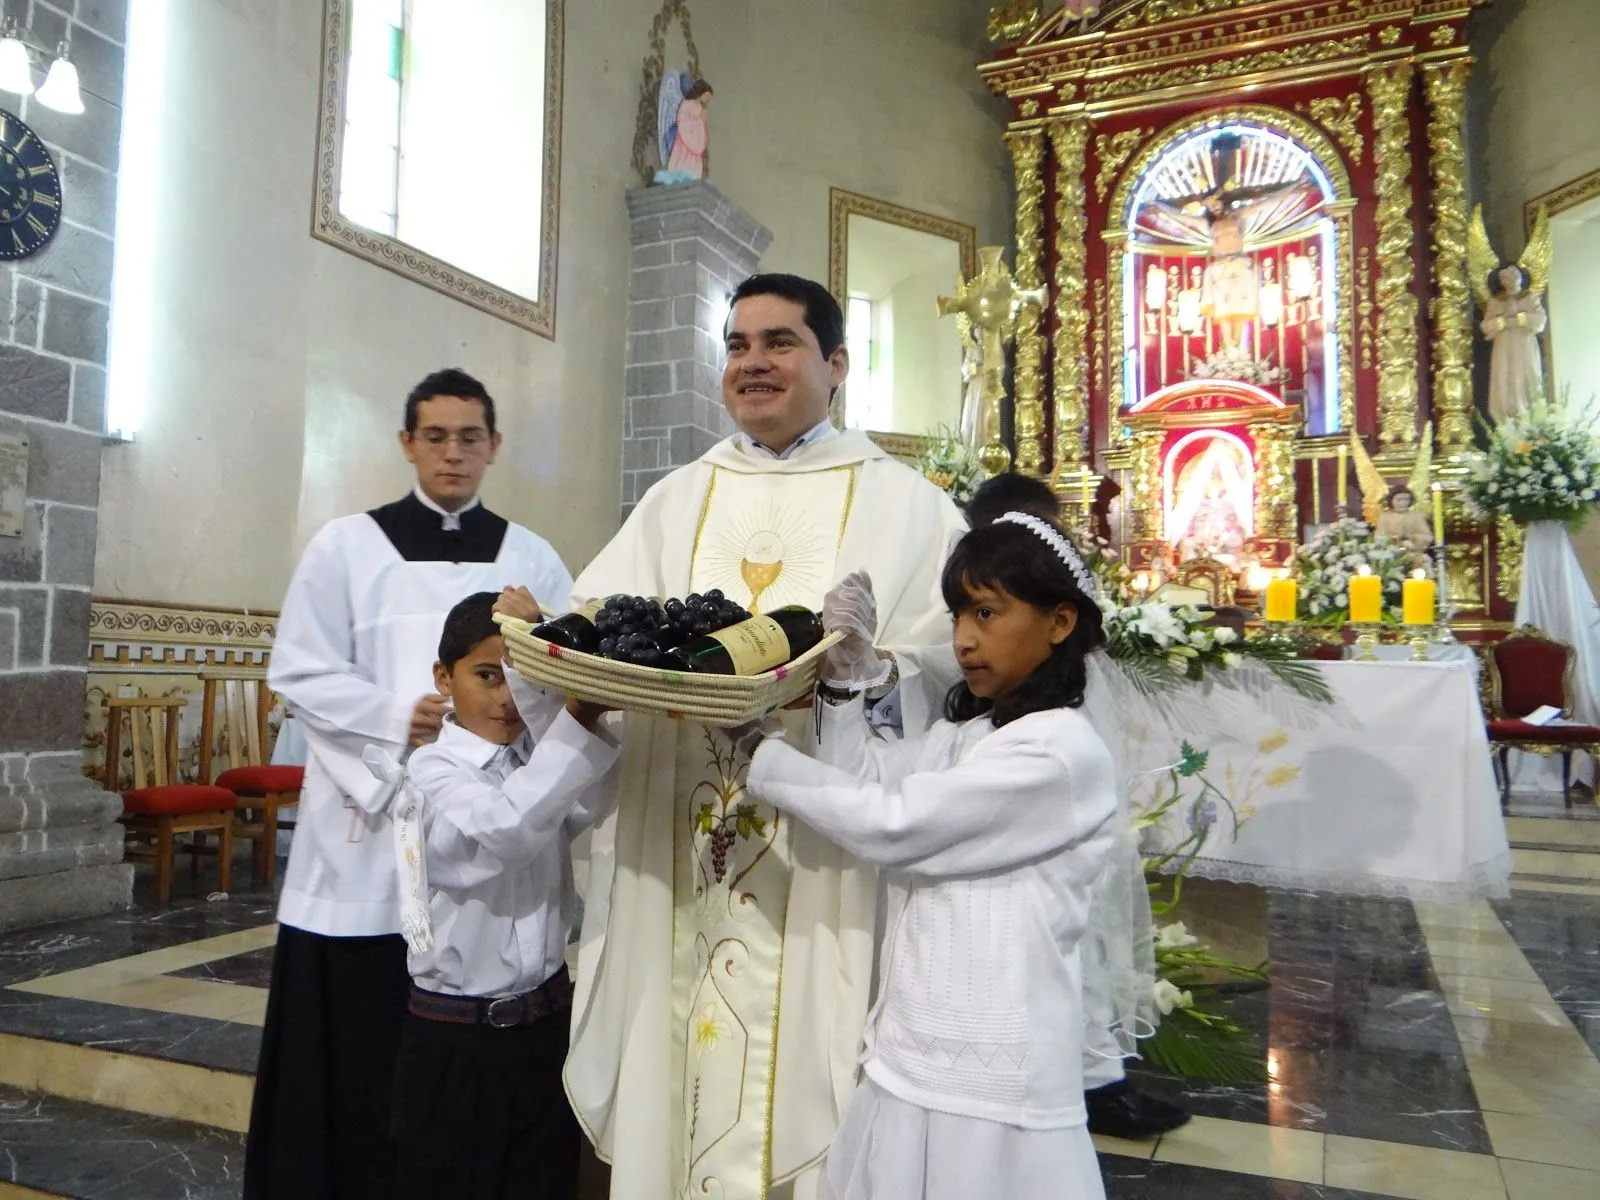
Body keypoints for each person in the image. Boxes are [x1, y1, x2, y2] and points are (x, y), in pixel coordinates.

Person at [537, 273, 968, 1199]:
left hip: (823, 852)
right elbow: (600, 633)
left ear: (836, 364)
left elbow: (955, 667)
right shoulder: (679, 496)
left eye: (780, 342)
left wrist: (871, 676)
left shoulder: (908, 506)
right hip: (677, 836)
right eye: (738, 345)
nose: (754, 363)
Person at [245, 369, 574, 1199]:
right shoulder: (345, 545)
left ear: (493, 446)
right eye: (436, 436)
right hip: (361, 842)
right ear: (407, 444)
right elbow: (300, 669)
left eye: (470, 437)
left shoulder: (532, 558)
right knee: (354, 1061)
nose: (453, 453)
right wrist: (399, 717)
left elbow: (568, 673)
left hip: (486, 830)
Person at [740, 516, 1119, 1198]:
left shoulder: (1061, 751)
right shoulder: (970, 736)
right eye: (957, 615)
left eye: (986, 611)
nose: (964, 638)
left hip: (993, 1073)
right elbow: (861, 782)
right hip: (913, 1048)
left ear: (1060, 622)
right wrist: (845, 682)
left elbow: (895, 824)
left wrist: (758, 754)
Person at [965, 474, 1189, 1142]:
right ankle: (1084, 1078)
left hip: (1062, 795)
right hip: (1012, 797)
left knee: (1083, 932)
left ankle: (1097, 1076)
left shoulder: (1047, 604)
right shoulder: (982, 598)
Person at [388, 592, 618, 1200]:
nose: (507, 698)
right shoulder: (429, 773)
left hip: (545, 1028)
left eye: (521, 681)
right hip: (456, 1042)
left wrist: (558, 676)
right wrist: (575, 719)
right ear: (444, 677)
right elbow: (507, 831)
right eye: (488, 676)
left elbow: (598, 801)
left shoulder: (536, 761)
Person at [1482, 262, 1547, 423]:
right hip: (1503, 345)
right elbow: (1485, 326)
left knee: (1526, 376)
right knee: (1504, 377)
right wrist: (1500, 322)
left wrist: (1520, 318)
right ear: (1501, 281)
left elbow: (1540, 320)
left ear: (1520, 277)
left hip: (1524, 344)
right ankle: (1505, 420)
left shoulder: (1530, 298)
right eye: (1505, 278)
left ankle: (1530, 418)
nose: (1510, 280)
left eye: (1513, 275)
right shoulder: (1496, 302)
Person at [1375, 485, 1434, 554]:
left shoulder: (1417, 515)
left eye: (1406, 500)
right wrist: (1394, 538)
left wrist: (1411, 537)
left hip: (1413, 552)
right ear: (1391, 500)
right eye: (1399, 500)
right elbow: (1379, 537)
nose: (1403, 503)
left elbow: (1427, 536)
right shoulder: (1385, 517)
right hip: (1390, 553)